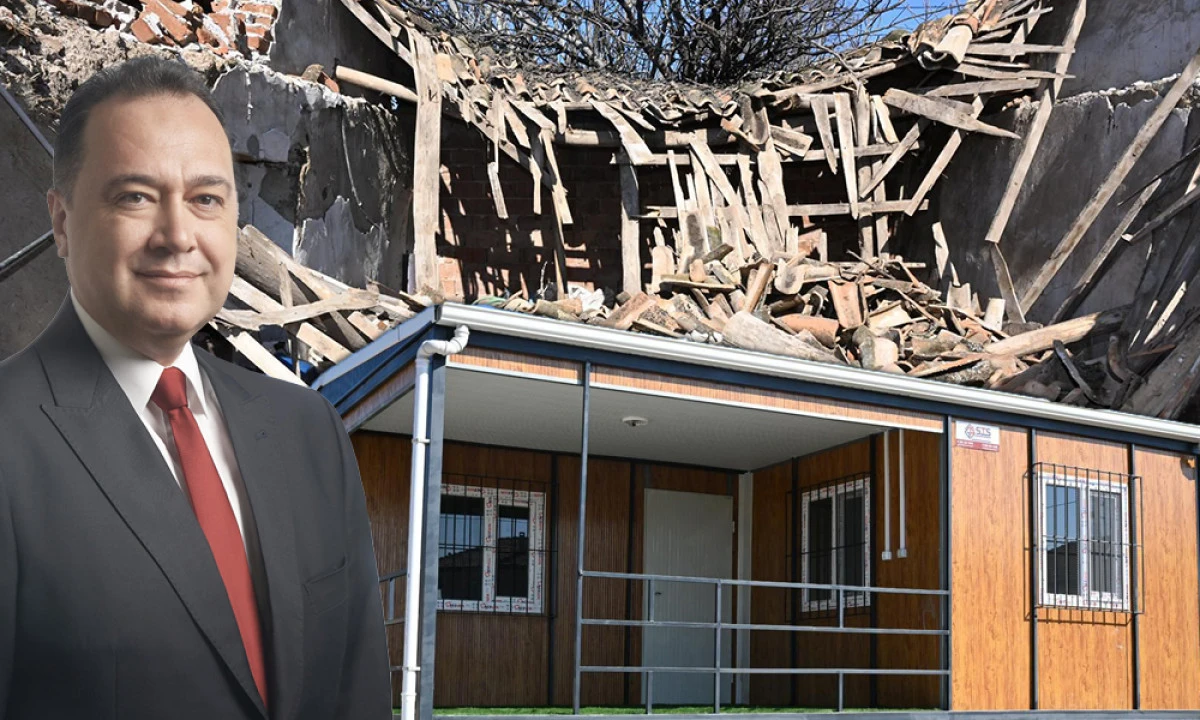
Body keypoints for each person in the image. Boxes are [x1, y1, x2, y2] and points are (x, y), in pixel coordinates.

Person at [0, 56, 392, 719]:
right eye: (135, 197)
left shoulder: (309, 433)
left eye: (205, 199)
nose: (177, 236)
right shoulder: (10, 438)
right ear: (62, 223)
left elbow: (358, 696)